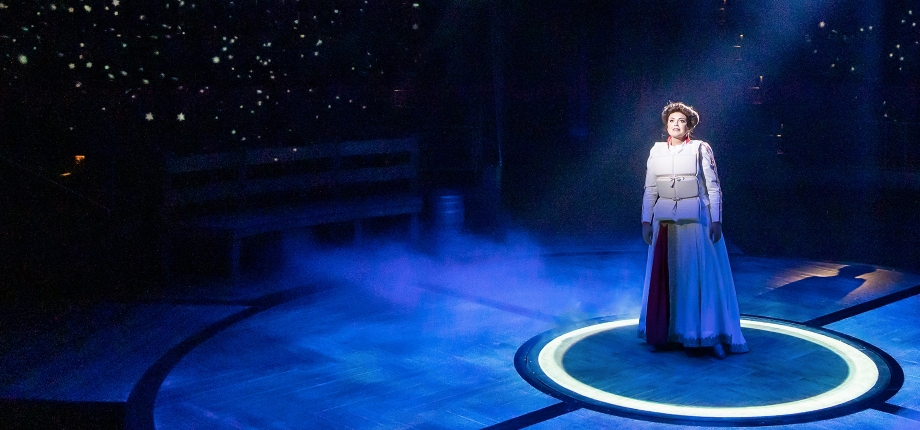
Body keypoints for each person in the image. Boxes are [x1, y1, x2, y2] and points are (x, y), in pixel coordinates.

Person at [638, 102, 748, 359]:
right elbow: (650, 189)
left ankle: (711, 334)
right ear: (666, 124)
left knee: (701, 278)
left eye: (681, 121)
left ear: (689, 126)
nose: (676, 124)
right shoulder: (656, 152)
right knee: (672, 278)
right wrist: (645, 221)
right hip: (666, 225)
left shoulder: (701, 149)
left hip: (696, 223)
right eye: (672, 120)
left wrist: (716, 219)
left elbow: (713, 187)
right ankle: (670, 332)